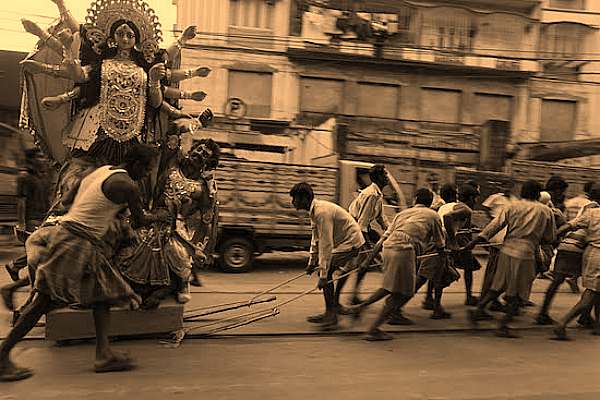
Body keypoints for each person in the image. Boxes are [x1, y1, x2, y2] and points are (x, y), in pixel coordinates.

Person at [0, 144, 158, 382]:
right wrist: (162, 216)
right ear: (135, 164)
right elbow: (142, 220)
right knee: (42, 302)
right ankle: (2, 357)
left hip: (77, 238)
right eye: (146, 169)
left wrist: (101, 212)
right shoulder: (128, 186)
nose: (146, 175)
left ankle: (103, 355)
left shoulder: (102, 171)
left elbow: (66, 200)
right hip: (75, 241)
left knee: (101, 298)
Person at [350, 189, 445, 340]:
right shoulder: (434, 216)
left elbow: (382, 239)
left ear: (415, 200)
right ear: (430, 202)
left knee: (390, 287)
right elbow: (440, 245)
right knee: (404, 292)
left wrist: (368, 259)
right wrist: (443, 260)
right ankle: (373, 329)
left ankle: (360, 307)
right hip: (404, 249)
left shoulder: (402, 213)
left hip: (388, 248)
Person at [467, 180, 556, 338]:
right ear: (537, 193)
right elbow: (550, 237)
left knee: (498, 285)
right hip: (525, 253)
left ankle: (478, 310)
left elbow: (496, 225)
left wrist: (477, 240)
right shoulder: (545, 211)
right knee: (520, 292)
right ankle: (503, 325)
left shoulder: (512, 206)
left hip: (506, 250)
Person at [290, 182, 365, 330]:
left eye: (295, 199)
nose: (293, 202)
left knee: (327, 270)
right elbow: (315, 238)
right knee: (325, 269)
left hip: (351, 242)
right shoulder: (315, 211)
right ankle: (331, 310)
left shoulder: (322, 212)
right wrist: (312, 261)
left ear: (305, 198)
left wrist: (323, 275)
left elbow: (326, 244)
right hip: (344, 242)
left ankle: (331, 314)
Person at [535, 190, 599, 325]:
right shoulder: (594, 209)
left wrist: (554, 238)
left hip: (567, 243)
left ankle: (543, 312)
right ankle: (584, 316)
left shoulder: (583, 206)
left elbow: (569, 225)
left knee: (557, 281)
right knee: (593, 288)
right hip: (581, 248)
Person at [550, 182, 600, 340]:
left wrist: (553, 237)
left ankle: (598, 326)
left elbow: (569, 226)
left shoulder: (592, 213)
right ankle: (562, 323)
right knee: (591, 294)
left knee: (596, 291)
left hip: (590, 252)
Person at [347, 164, 389, 304]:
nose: (387, 177)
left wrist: (393, 231)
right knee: (361, 262)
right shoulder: (371, 194)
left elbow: (381, 218)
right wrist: (367, 248)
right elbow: (362, 225)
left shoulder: (377, 194)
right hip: (354, 229)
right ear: (378, 177)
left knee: (364, 262)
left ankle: (353, 294)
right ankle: (348, 296)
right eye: (385, 175)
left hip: (361, 228)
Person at [478, 180, 518, 313]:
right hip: (497, 234)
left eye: (508, 185)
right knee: (493, 270)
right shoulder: (495, 197)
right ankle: (485, 300)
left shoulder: (514, 200)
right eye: (504, 185)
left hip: (507, 233)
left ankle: (493, 300)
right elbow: (486, 208)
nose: (506, 188)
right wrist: (491, 218)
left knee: (499, 273)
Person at [418, 182, 457, 317]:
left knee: (436, 275)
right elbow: (447, 222)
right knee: (424, 277)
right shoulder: (456, 207)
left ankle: (434, 304)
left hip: (434, 242)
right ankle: (396, 305)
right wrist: (453, 242)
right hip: (439, 243)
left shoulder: (440, 206)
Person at [443, 183, 481, 306]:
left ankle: (430, 298)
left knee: (438, 269)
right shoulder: (465, 209)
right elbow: (449, 218)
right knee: (468, 267)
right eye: (474, 198)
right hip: (460, 242)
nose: (475, 201)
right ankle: (469, 296)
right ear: (470, 198)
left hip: (452, 241)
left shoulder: (453, 206)